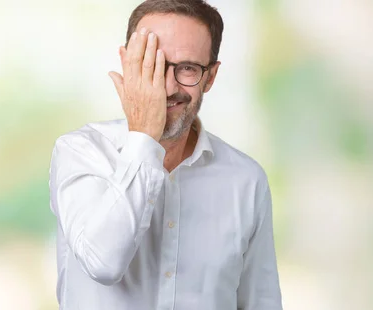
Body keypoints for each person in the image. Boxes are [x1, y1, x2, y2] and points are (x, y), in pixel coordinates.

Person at [48, 1, 283, 309]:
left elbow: (261, 302)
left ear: (210, 77)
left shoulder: (246, 180)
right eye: (152, 64)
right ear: (127, 63)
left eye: (187, 68)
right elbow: (103, 263)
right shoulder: (80, 152)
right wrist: (145, 135)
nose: (168, 87)